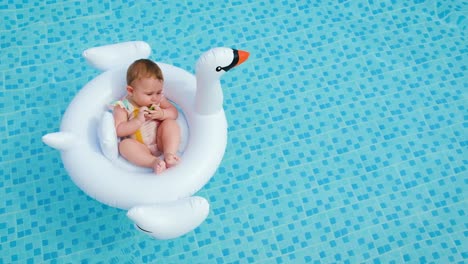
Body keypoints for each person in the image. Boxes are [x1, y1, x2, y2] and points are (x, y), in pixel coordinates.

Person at [110, 59, 181, 174]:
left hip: (160, 139)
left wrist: (162, 114)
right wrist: (138, 121)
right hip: (140, 147)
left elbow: (174, 113)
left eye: (158, 92)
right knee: (124, 145)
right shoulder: (123, 106)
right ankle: (153, 162)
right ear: (131, 91)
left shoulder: (158, 100)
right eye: (149, 94)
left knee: (171, 123)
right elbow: (118, 130)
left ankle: (169, 154)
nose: (154, 97)